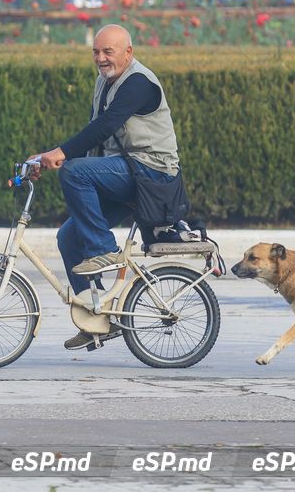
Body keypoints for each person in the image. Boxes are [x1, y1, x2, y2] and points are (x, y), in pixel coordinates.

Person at [27, 24, 181, 351]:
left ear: (128, 52)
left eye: (108, 51)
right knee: (68, 236)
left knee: (73, 172)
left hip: (152, 174)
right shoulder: (104, 83)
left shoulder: (139, 83)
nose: (100, 58)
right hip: (127, 174)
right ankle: (96, 316)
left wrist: (62, 156)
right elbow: (95, 136)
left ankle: (103, 251)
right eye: (96, 52)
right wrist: (45, 157)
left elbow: (107, 126)